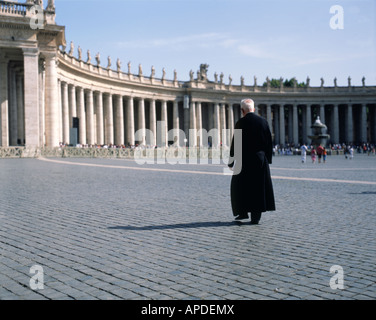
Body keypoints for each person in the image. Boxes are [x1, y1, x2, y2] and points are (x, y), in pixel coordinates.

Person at [228, 99, 275, 225]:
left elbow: (235, 143)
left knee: (239, 186)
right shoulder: (263, 122)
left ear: (242, 111)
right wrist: (267, 159)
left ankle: (242, 211)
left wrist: (231, 161)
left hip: (244, 160)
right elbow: (269, 143)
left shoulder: (241, 122)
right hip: (260, 160)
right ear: (254, 109)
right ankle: (256, 217)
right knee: (258, 188)